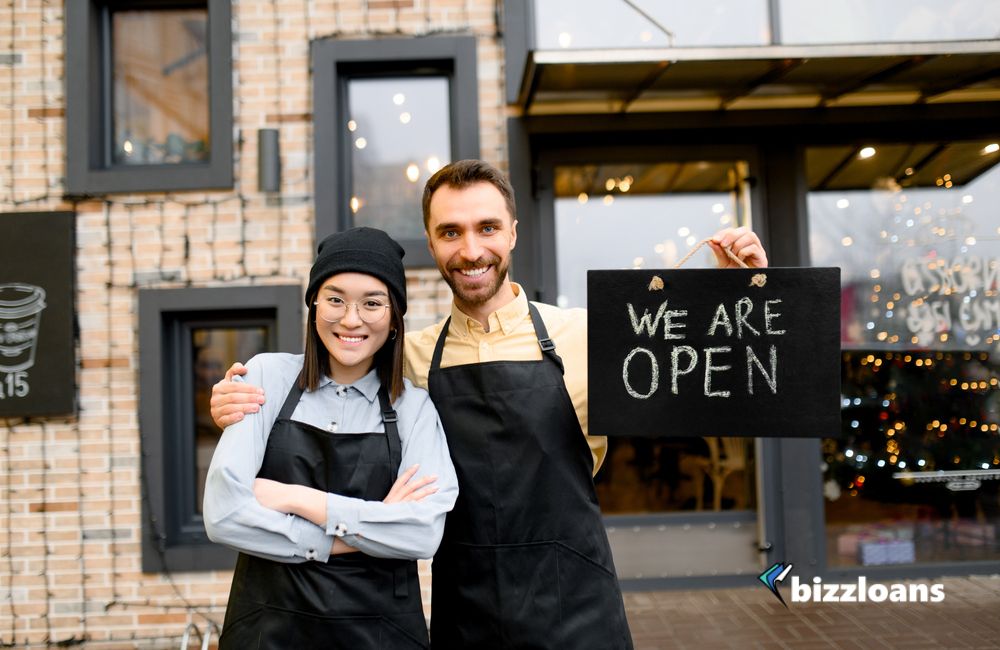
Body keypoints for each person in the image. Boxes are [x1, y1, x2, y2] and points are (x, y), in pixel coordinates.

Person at [210, 160, 768, 649]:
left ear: (513, 233)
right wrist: (237, 400)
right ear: (432, 244)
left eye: (487, 228)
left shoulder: (588, 335)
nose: (471, 249)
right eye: (451, 232)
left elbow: (704, 392)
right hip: (465, 611)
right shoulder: (409, 359)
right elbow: (330, 380)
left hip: (574, 606)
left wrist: (735, 296)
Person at [203, 227, 458, 649]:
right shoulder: (266, 377)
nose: (351, 319)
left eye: (372, 303)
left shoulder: (414, 409)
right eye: (335, 299)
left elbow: (423, 533)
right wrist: (361, 530)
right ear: (314, 305)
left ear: (394, 318)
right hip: (268, 632)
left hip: (379, 635)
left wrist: (298, 500)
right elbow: (223, 513)